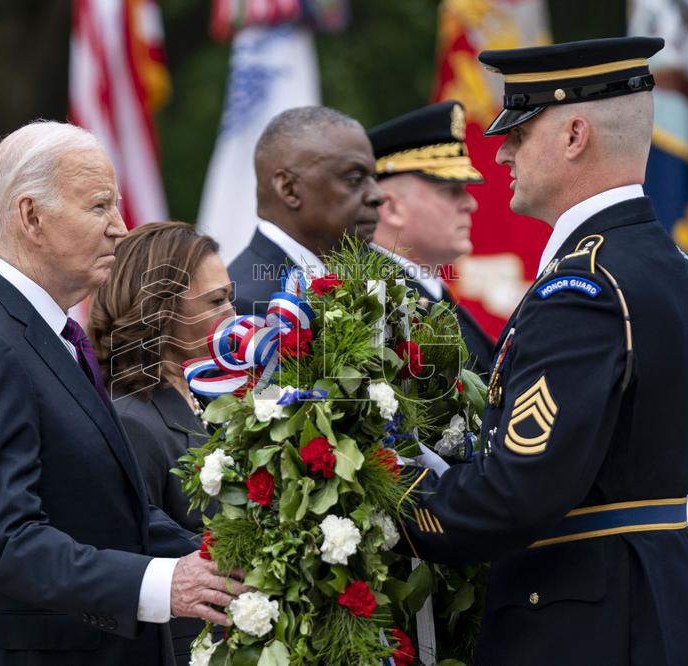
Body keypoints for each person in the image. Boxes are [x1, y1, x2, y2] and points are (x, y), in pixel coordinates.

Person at [397, 38, 688, 664]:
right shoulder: (666, 265)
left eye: (519, 135)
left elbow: (514, 494)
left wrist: (385, 484)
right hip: (654, 597)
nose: (500, 153)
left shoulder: (585, 288)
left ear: (576, 135)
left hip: (583, 624)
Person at [0, 121, 245, 666]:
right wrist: (164, 583)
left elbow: (108, 512)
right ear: (31, 216)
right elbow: (8, 542)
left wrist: (235, 559)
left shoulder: (46, 333)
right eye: (100, 206)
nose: (121, 226)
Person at [88, 221, 233, 665]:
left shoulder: (209, 397)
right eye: (215, 301)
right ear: (161, 310)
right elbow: (128, 565)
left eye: (231, 296)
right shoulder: (130, 419)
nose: (232, 313)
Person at [368, 101, 495, 373]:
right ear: (391, 207)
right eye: (451, 191)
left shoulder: (425, 294)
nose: (470, 204)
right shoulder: (376, 308)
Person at [227, 105, 385, 316]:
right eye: (354, 179)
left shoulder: (367, 287)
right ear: (289, 189)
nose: (378, 195)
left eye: (374, 179)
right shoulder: (244, 307)